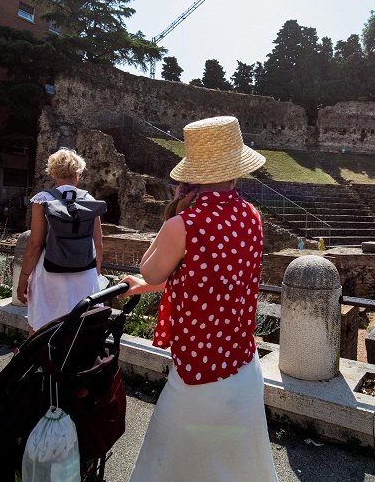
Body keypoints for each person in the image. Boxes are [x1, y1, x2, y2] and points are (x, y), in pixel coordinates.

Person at [122, 116, 278, 482]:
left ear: (192, 174)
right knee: (239, 464)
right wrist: (145, 286)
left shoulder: (183, 223)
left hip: (198, 369)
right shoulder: (252, 217)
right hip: (242, 363)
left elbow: (152, 271)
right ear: (235, 171)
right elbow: (205, 278)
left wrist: (171, 215)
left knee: (165, 461)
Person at [16, 148, 103, 333]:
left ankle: (41, 360)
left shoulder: (42, 199)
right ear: (79, 173)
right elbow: (98, 244)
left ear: (53, 173)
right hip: (85, 273)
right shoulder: (89, 200)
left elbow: (35, 244)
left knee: (41, 325)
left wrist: (24, 277)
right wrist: (95, 275)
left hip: (49, 273)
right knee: (82, 326)